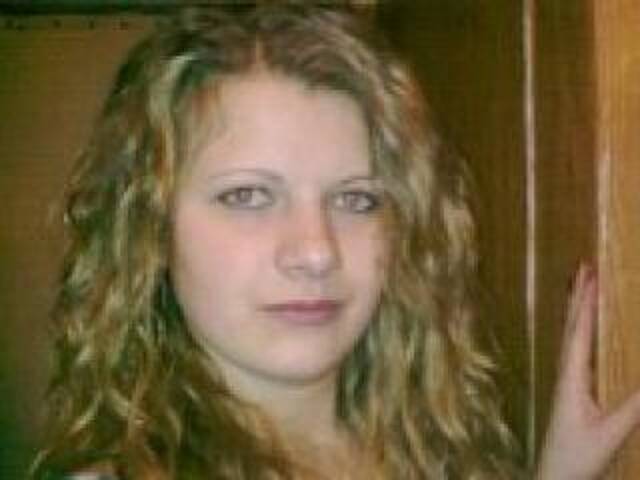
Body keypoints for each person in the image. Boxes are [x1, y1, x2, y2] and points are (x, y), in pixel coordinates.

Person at [31, 3, 640, 479]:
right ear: (150, 227)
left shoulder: (429, 447)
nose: (317, 251)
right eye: (248, 196)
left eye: (357, 199)